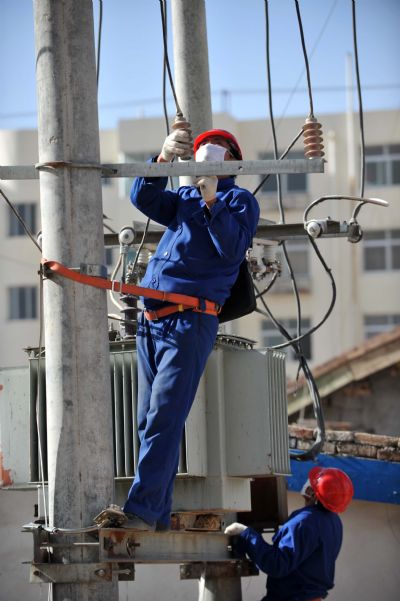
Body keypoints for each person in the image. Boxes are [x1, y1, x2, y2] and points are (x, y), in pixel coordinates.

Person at [120, 127, 260, 531]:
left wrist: (212, 198)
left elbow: (231, 249)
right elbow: (143, 198)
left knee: (164, 416)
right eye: (198, 151)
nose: (203, 156)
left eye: (213, 152)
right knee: (149, 420)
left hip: (190, 321)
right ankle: (154, 513)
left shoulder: (238, 201)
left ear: (231, 161)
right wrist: (161, 162)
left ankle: (143, 512)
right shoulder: (182, 199)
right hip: (154, 321)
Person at [225, 467, 354, 601]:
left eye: (311, 482)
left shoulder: (304, 523)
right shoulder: (333, 521)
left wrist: (246, 534)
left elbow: (277, 565)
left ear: (312, 492)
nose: (307, 482)